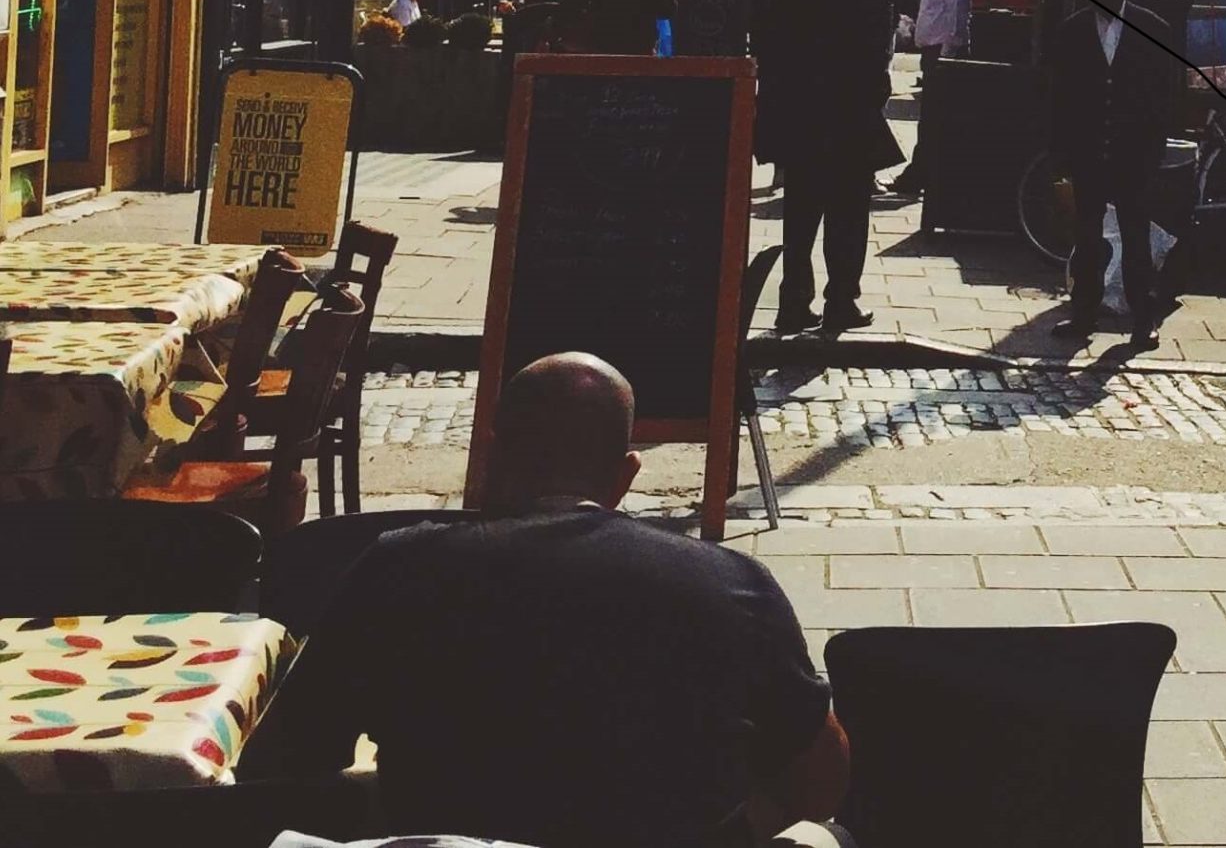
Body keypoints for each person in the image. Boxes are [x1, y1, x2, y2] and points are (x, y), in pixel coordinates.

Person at [259, 354, 849, 848]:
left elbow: (297, 753)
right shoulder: (730, 583)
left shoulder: (400, 565)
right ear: (625, 474)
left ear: (490, 455)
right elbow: (818, 779)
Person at [761, 0, 900, 333]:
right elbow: (878, 57)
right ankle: (841, 301)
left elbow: (771, 45)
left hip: (802, 115)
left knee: (800, 215)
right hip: (850, 117)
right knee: (848, 217)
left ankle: (792, 303)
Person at [1047, 0, 1178, 349]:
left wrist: (1152, 150)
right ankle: (1083, 313)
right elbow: (1061, 97)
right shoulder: (1072, 30)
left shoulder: (1152, 29)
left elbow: (1165, 97)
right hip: (1088, 154)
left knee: (1135, 238)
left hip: (1132, 155)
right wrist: (1063, 152)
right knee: (1086, 238)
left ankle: (1143, 320)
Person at [886, 0, 971, 199]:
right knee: (929, 120)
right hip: (930, 55)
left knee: (935, 120)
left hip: (942, 56)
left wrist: (946, 60)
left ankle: (921, 176)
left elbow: (955, 24)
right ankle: (919, 174)